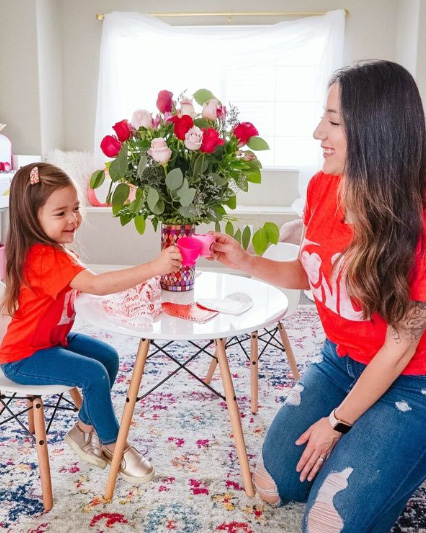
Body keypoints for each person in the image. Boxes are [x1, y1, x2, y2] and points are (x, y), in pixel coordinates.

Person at [211, 60, 426, 532]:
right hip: (340, 361)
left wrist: (338, 424)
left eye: (333, 122)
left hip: (412, 379)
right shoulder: (321, 185)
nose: (316, 133)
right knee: (275, 480)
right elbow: (312, 275)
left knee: (328, 524)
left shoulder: (418, 216)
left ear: (376, 130)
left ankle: (402, 453)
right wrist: (246, 262)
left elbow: (400, 346)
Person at [0, 163, 182, 485]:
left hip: (50, 343)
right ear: (33, 218)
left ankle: (83, 431)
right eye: (61, 213)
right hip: (23, 356)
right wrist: (154, 267)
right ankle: (114, 445)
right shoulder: (44, 257)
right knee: (93, 374)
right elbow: (97, 285)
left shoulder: (57, 251)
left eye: (76, 208)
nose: (73, 219)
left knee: (108, 357)